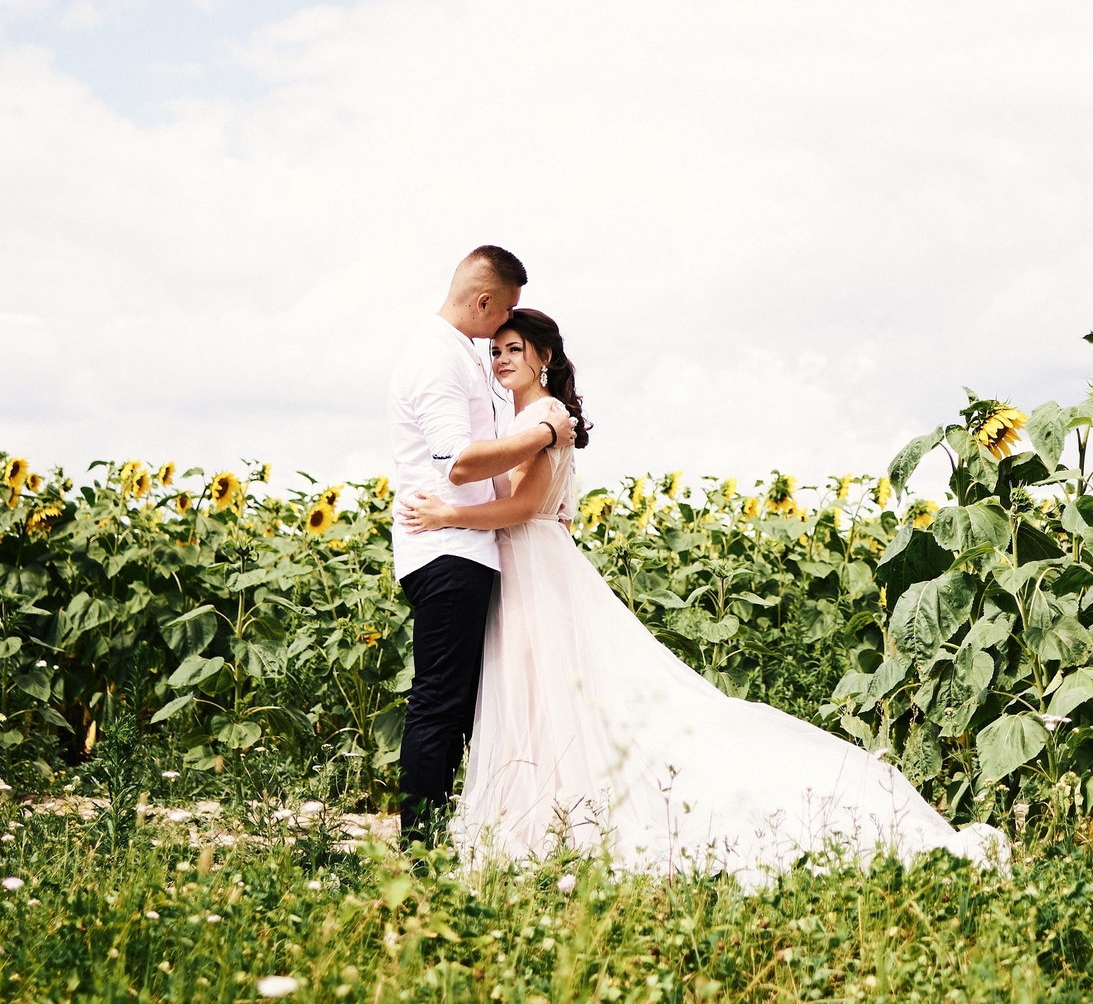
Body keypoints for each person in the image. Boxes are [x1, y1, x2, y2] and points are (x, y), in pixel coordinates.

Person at [399, 308, 1003, 886]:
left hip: (534, 562)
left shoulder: (544, 416)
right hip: (530, 562)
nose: (501, 359)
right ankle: (541, 813)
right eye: (495, 351)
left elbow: (528, 505)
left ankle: (560, 817)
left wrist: (448, 515)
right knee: (539, 696)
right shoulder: (523, 420)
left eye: (514, 349)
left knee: (559, 693)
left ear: (545, 357)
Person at [385, 246, 576, 846]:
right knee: (440, 703)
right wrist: (544, 432)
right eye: (505, 314)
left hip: (466, 548)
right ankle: (421, 848)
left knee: (462, 706)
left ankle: (445, 834)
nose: (503, 334)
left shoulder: (454, 356)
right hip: (448, 550)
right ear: (486, 300)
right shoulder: (438, 359)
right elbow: (459, 463)